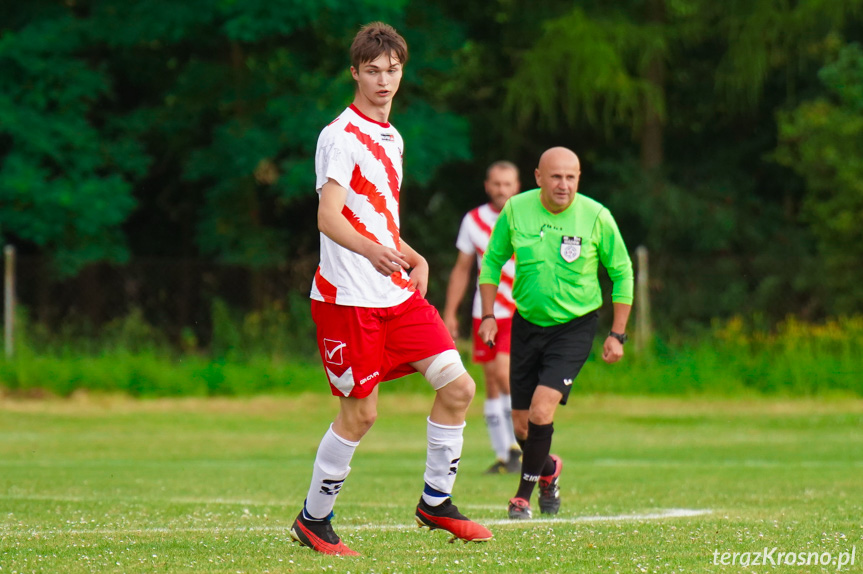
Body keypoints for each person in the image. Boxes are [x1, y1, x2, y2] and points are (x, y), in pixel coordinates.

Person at [289, 22, 493, 556]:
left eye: (392, 70)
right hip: (347, 299)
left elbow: (377, 218)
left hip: (394, 293)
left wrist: (411, 252)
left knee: (458, 388)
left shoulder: (392, 136)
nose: (383, 81)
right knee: (361, 415)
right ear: (355, 72)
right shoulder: (339, 136)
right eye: (373, 71)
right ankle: (314, 519)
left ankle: (436, 502)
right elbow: (328, 217)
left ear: (402, 72)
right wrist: (372, 252)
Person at [477, 146, 634, 520]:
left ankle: (522, 498)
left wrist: (618, 334)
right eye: (556, 176)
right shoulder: (516, 210)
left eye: (571, 177)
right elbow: (492, 262)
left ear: (579, 178)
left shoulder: (596, 216)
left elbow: (623, 272)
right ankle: (548, 470)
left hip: (574, 327)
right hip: (526, 324)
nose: (564, 185)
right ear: (538, 178)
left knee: (541, 409)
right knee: (521, 425)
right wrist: (487, 314)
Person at [442, 161, 522, 475]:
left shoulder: (525, 216)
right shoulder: (473, 220)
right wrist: (450, 312)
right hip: (484, 312)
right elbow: (463, 268)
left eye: (508, 184)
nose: (503, 190)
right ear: (488, 186)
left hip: (519, 308)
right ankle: (504, 455)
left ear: (517, 186)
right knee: (490, 379)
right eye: (497, 184)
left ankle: (521, 443)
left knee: (505, 374)